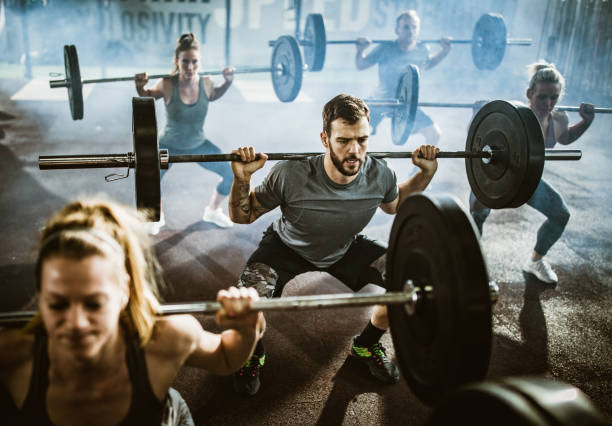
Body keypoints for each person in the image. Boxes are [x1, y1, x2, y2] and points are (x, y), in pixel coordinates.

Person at [227, 94, 439, 395]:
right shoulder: (291, 174)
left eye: (362, 139)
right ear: (325, 139)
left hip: (345, 246)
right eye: (343, 141)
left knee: (406, 282)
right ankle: (252, 354)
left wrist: (425, 173)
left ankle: (365, 347)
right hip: (286, 246)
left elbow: (394, 205)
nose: (355, 151)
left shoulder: (380, 174)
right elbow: (242, 216)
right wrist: (242, 180)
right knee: (246, 303)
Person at [0, 197, 265, 425]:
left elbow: (225, 358)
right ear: (40, 293)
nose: (76, 323)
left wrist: (246, 328)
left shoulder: (166, 339)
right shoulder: (13, 354)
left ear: (124, 291)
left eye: (94, 304)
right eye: (57, 304)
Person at [469, 61, 595, 284]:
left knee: (560, 214)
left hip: (527, 178)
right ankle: (470, 268)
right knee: (477, 215)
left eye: (554, 97)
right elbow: (480, 140)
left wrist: (586, 122)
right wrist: (478, 114)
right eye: (542, 97)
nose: (548, 103)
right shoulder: (515, 114)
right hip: (493, 174)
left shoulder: (559, 119)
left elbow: (565, 138)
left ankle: (535, 261)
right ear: (530, 93)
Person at [135, 33, 235, 234]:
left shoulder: (206, 82)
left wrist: (228, 83)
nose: (190, 67)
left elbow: (214, 95)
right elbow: (147, 95)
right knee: (150, 180)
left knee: (230, 174)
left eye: (194, 62)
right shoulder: (167, 84)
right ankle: (157, 215)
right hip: (168, 145)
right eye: (185, 62)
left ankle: (213, 211)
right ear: (177, 61)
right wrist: (140, 86)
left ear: (200, 62)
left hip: (198, 144)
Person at [355, 10, 451, 145]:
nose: (410, 31)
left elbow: (428, 63)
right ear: (397, 30)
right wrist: (360, 50)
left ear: (418, 30)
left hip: (406, 103)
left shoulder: (422, 49)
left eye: (414, 27)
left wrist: (444, 51)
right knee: (360, 135)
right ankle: (354, 165)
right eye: (406, 27)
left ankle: (421, 167)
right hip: (381, 100)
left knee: (434, 134)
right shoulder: (385, 48)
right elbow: (361, 65)